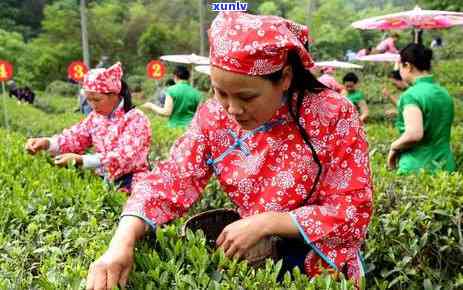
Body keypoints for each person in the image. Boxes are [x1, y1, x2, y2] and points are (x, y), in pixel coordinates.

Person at [86, 12, 373, 290]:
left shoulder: (332, 114)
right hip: (255, 262)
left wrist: (267, 222)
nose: (233, 110)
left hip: (321, 266)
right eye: (220, 92)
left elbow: (352, 211)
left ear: (284, 77)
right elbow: (170, 178)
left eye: (247, 97)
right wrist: (120, 243)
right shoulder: (214, 117)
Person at [25, 62, 152, 192]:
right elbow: (74, 138)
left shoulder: (136, 119)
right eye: (89, 100)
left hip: (133, 184)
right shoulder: (95, 118)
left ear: (114, 95)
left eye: (97, 100)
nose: (93, 105)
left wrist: (82, 160)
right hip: (105, 181)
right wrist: (46, 143)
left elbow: (125, 156)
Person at [388, 43, 455, 174]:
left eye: (400, 67)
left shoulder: (411, 95)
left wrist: (393, 148)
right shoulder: (444, 93)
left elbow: (414, 134)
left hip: (418, 168)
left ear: (407, 66)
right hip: (446, 167)